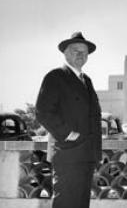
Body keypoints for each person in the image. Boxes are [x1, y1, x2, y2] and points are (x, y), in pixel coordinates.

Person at [36, 32, 102, 208]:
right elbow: (43, 112)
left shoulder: (87, 80)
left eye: (84, 52)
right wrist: (67, 134)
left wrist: (96, 152)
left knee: (81, 204)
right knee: (65, 202)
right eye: (76, 51)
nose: (81, 55)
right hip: (67, 154)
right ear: (65, 53)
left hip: (87, 155)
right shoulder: (55, 77)